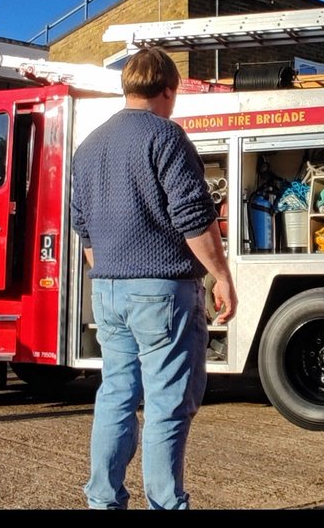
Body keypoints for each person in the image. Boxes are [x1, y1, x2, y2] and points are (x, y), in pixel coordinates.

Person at [70, 46, 237, 510]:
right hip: (161, 290)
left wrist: (108, 272)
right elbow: (193, 216)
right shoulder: (166, 136)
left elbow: (83, 227)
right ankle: (165, 504)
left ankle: (103, 500)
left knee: (116, 395)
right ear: (168, 89)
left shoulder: (89, 145)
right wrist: (220, 274)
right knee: (167, 403)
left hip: (107, 286)